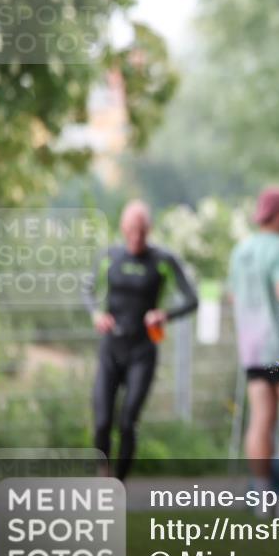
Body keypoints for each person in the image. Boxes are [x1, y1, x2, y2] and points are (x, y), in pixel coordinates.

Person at [84, 200, 198, 481]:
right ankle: (103, 473)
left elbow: (192, 299)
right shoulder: (109, 256)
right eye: (132, 230)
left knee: (127, 422)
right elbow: (87, 290)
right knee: (101, 422)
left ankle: (117, 484)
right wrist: (97, 314)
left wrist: (165, 315)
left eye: (142, 231)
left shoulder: (162, 260)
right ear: (123, 229)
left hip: (142, 351)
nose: (137, 236)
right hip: (112, 348)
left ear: (149, 230)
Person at [228, 186, 279, 516]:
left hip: (251, 349)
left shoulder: (241, 250)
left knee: (261, 419)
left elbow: (234, 297)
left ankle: (263, 500)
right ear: (278, 215)